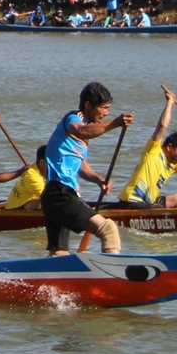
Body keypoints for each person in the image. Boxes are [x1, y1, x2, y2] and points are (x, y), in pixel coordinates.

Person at [42, 82, 134, 256]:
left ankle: (55, 282)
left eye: (108, 109)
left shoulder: (82, 138)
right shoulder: (73, 118)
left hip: (55, 195)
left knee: (59, 254)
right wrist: (115, 123)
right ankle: (112, 278)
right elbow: (82, 131)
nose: (106, 113)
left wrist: (98, 180)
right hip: (60, 193)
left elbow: (82, 165)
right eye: (103, 108)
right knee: (108, 229)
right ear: (87, 105)